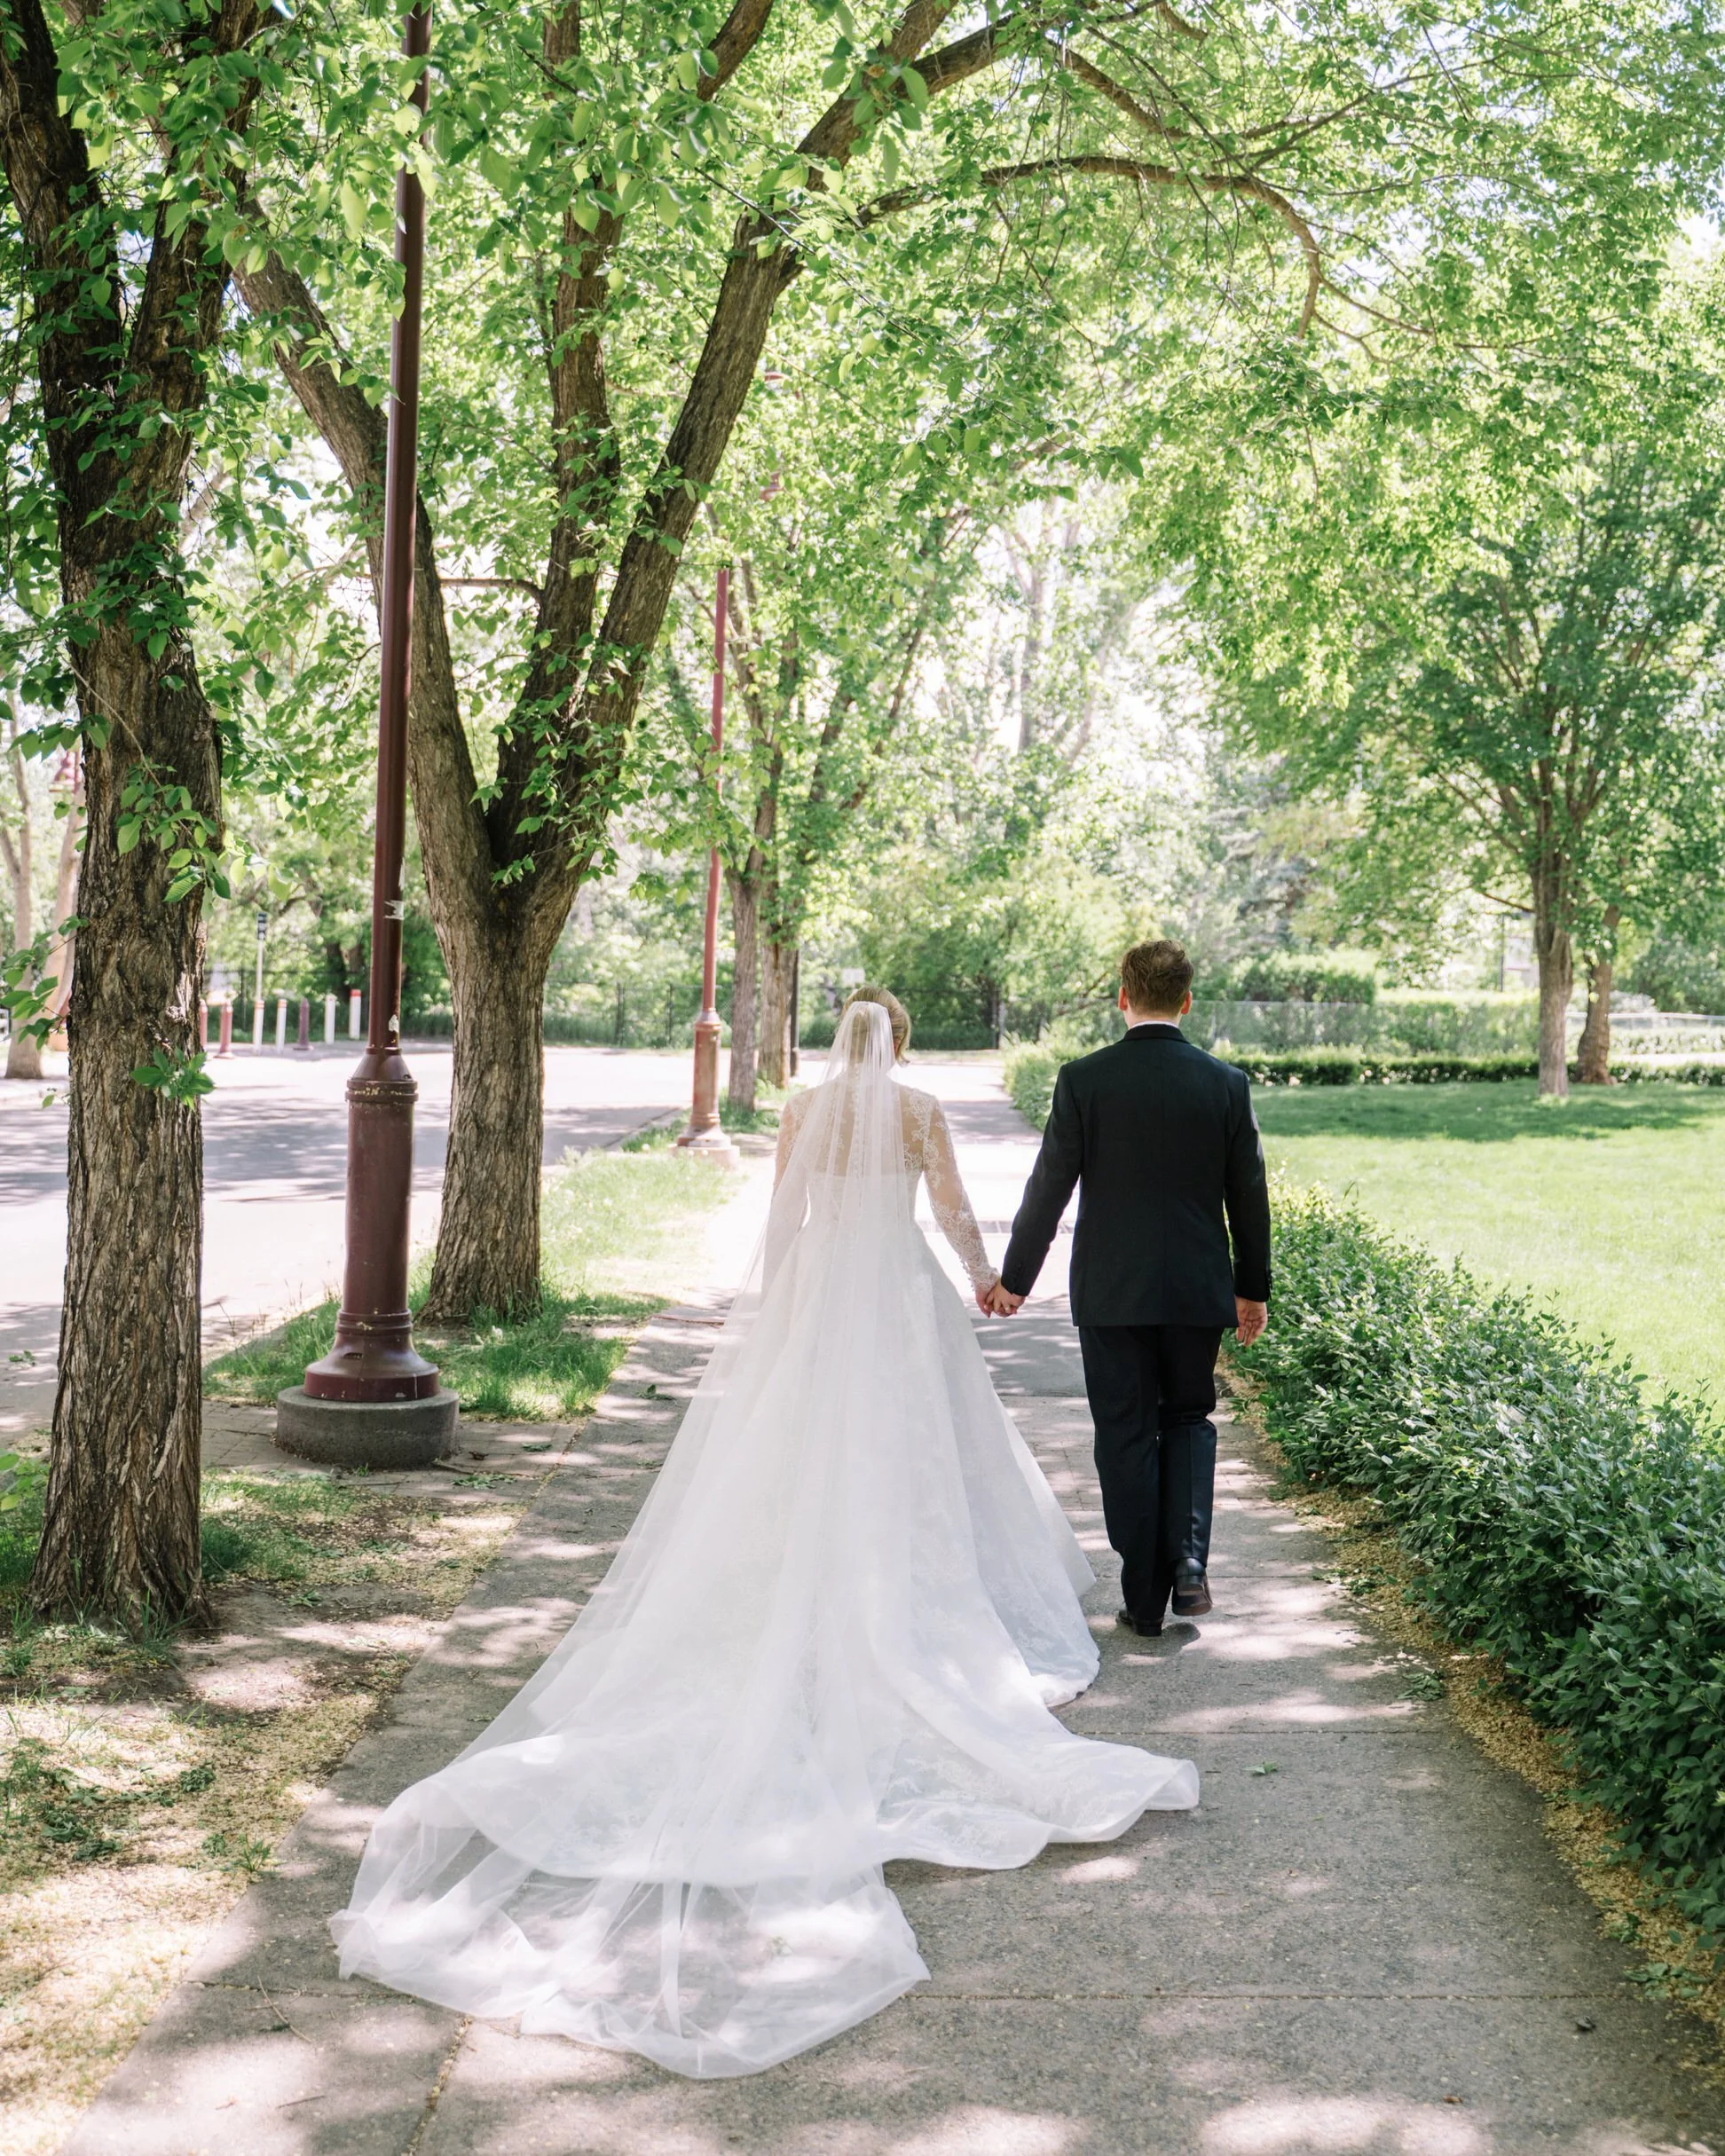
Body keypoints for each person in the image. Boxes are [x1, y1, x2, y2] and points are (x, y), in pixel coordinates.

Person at [331, 988, 1197, 2079]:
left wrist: (780, 1303)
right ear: (903, 1041)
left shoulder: (804, 1108)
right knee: (918, 1451)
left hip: (822, 1296)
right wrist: (987, 1279)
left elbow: (784, 1218)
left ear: (838, 1040)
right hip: (896, 1294)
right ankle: (906, 1593)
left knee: (802, 1448)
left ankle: (803, 1574)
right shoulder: (920, 1108)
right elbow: (951, 1209)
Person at [988, 940, 1272, 1638]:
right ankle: (1191, 1563)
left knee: (1124, 1435)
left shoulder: (1084, 1080)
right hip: (1199, 1291)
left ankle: (1143, 1598)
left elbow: (1049, 1186)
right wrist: (1252, 1288)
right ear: (1186, 1001)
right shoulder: (1224, 1083)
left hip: (1112, 1294)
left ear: (1122, 996)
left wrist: (1014, 1280)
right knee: (1188, 1420)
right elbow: (1249, 1195)